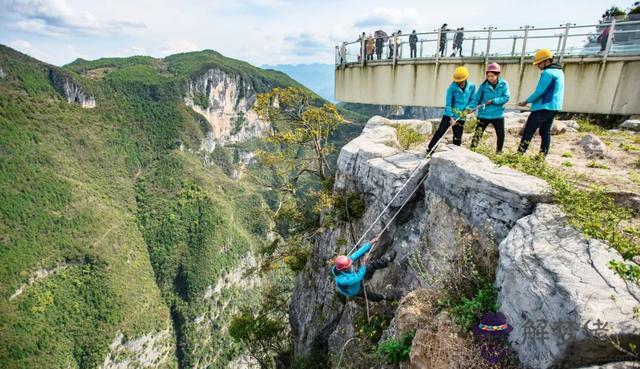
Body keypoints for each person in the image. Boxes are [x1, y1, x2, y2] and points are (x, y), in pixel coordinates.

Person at [517, 48, 565, 157]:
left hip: (543, 107)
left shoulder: (547, 73)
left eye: (539, 63)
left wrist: (526, 101)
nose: (537, 66)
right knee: (545, 132)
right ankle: (541, 158)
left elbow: (539, 91)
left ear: (547, 61)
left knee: (528, 131)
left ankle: (517, 156)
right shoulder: (559, 71)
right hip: (554, 107)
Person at [427, 66, 476, 153]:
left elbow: (473, 99)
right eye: (458, 81)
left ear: (466, 78)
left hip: (461, 116)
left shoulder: (471, 86)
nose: (460, 82)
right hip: (449, 115)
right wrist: (451, 117)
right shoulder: (451, 88)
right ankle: (430, 149)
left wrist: (468, 109)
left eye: (461, 80)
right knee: (440, 132)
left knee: (457, 137)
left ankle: (455, 153)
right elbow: (448, 104)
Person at [332, 237, 392, 301]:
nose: (350, 265)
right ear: (344, 269)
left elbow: (358, 253)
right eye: (348, 265)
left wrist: (370, 243)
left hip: (357, 276)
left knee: (371, 265)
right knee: (369, 295)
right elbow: (358, 277)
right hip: (354, 290)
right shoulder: (342, 280)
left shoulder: (345, 263)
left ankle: (387, 260)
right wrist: (363, 264)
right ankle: (383, 297)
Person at [470, 63, 510, 153]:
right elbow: (477, 98)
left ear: (497, 75)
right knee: (478, 134)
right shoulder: (483, 86)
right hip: (484, 114)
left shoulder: (503, 84)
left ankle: (499, 152)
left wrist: (493, 101)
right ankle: (472, 150)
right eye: (488, 76)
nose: (490, 78)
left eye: (492, 76)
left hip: (498, 115)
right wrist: (472, 108)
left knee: (501, 134)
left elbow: (506, 97)